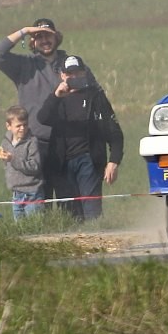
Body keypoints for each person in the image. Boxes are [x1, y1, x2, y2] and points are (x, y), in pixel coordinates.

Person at [36, 55, 123, 222]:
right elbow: (42, 118)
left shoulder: (96, 97)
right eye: (69, 74)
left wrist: (114, 161)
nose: (73, 77)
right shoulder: (57, 97)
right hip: (63, 163)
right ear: (62, 75)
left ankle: (96, 241)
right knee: (70, 215)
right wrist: (56, 97)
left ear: (84, 73)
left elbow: (114, 132)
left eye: (77, 73)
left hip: (89, 160)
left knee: (92, 212)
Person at [0, 17, 68, 200]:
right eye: (39, 36)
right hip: (35, 144)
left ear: (57, 38)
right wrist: (24, 31)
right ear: (33, 42)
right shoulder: (23, 65)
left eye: (48, 35)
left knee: (69, 199)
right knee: (41, 201)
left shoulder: (69, 64)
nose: (45, 40)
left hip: (67, 143)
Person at [0, 105, 45, 220]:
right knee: (20, 227)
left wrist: (12, 159)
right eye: (18, 126)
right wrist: (3, 157)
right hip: (16, 193)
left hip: (32, 192)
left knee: (34, 226)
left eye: (25, 125)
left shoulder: (32, 142)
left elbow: (34, 166)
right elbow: (8, 164)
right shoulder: (6, 142)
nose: (22, 128)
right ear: (8, 126)